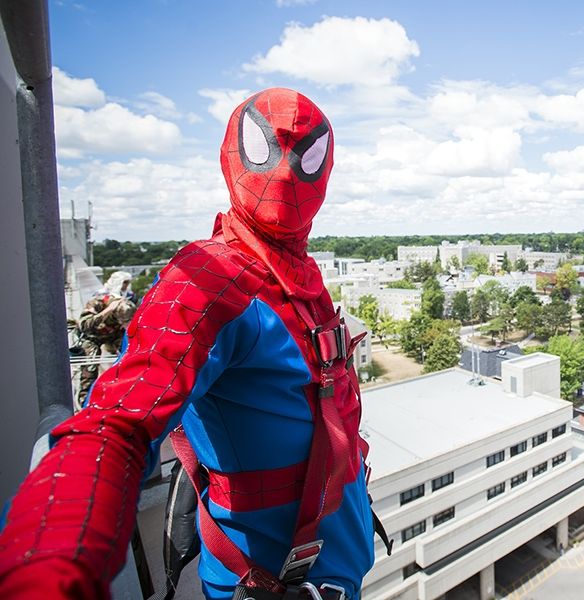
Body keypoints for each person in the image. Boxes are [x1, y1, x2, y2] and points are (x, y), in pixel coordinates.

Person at [0, 89, 375, 599]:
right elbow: (117, 421)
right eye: (265, 151)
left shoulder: (298, 275)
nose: (285, 174)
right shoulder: (206, 280)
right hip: (271, 581)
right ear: (231, 156)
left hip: (332, 570)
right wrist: (46, 566)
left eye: (306, 157)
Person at [74, 271, 137, 409]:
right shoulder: (98, 301)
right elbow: (84, 325)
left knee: (131, 354)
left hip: (114, 334)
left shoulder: (129, 300)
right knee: (90, 364)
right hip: (93, 336)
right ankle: (84, 402)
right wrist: (107, 312)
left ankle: (130, 393)